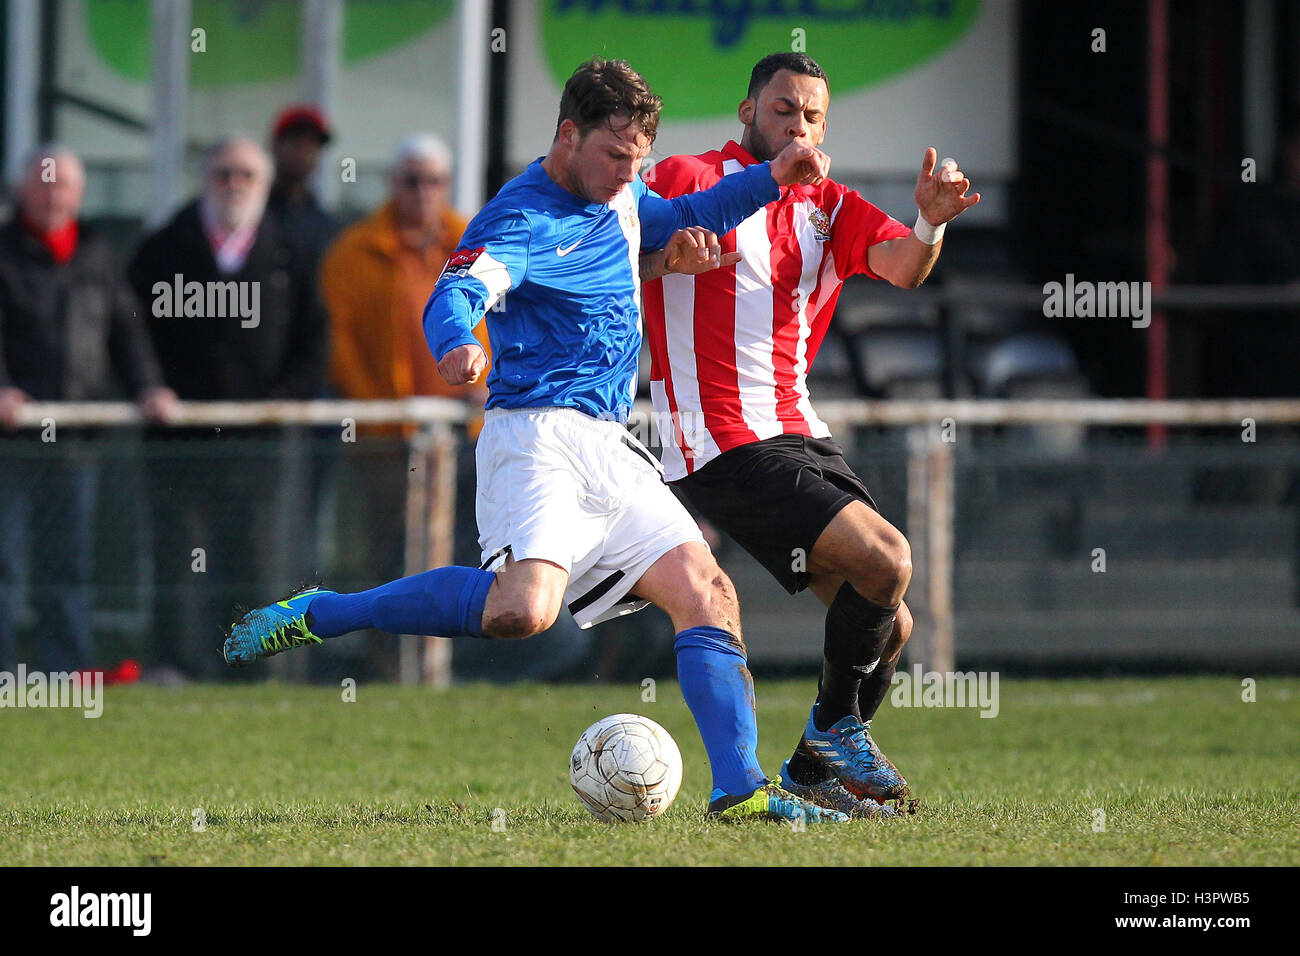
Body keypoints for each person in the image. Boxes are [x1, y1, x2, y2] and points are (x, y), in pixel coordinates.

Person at [224, 57, 857, 824]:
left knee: (708, 592)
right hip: (535, 438)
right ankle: (330, 611)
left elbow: (703, 208)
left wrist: (774, 176)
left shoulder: (620, 194)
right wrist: (459, 342)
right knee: (521, 613)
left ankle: (742, 792)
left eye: (639, 160)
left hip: (609, 439)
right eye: (616, 156)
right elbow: (455, 291)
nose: (629, 173)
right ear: (568, 134)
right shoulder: (518, 220)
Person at [640, 52, 980, 814]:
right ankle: (832, 730)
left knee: (891, 624)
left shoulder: (829, 203)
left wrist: (929, 220)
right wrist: (664, 260)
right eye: (784, 109)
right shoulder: (688, 178)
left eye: (813, 115)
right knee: (888, 557)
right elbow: (617, 249)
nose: (799, 125)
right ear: (747, 112)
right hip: (716, 438)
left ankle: (807, 776)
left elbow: (902, 266)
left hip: (795, 430)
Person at [128, 133, 328, 679]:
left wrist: (283, 401)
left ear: (264, 185)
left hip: (257, 441)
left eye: (246, 175)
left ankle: (251, 669)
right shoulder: (163, 247)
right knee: (180, 557)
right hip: (179, 438)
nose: (234, 185)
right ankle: (177, 665)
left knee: (255, 558)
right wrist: (150, 386)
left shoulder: (289, 252)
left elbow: (316, 339)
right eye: (223, 174)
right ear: (205, 180)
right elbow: (129, 330)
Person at [0, 145, 177, 672]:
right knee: (4, 561)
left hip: (76, 439)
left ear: (79, 195)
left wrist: (148, 387)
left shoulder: (97, 254)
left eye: (65, 186)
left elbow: (126, 331)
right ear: (21, 190)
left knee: (69, 563)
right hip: (11, 440)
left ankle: (66, 670)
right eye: (44, 183)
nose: (54, 195)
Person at [320, 133, 489, 675]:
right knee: (392, 556)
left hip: (469, 435)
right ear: (394, 184)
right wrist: (385, 420)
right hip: (390, 442)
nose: (422, 192)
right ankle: (388, 663)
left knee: (468, 554)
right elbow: (340, 350)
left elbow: (507, 325)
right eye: (412, 180)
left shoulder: (473, 241)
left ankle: (457, 664)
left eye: (433, 181)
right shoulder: (353, 253)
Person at [266, 105, 338, 275]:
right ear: (276, 145)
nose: (304, 151)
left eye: (313, 144)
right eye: (297, 141)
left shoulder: (324, 225)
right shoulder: (252, 212)